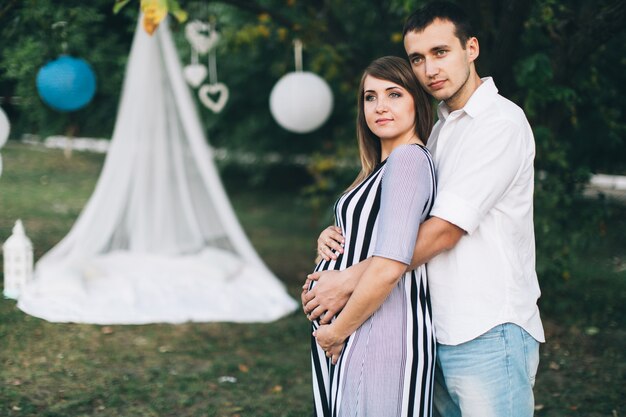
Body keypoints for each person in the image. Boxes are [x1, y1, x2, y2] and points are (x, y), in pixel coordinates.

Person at [303, 2, 545, 417]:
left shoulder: (498, 123)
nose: (430, 68)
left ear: (471, 48)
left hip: (488, 327)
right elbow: (396, 221)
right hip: (437, 328)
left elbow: (446, 230)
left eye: (441, 52)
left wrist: (348, 279)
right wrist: (340, 236)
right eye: (418, 58)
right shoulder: (439, 132)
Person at [309, 56, 437, 417]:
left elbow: (390, 265)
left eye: (394, 94)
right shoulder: (380, 169)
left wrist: (337, 332)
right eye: (370, 97)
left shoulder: (408, 160)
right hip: (359, 333)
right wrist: (333, 236)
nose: (380, 106)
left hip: (380, 333)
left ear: (417, 101)